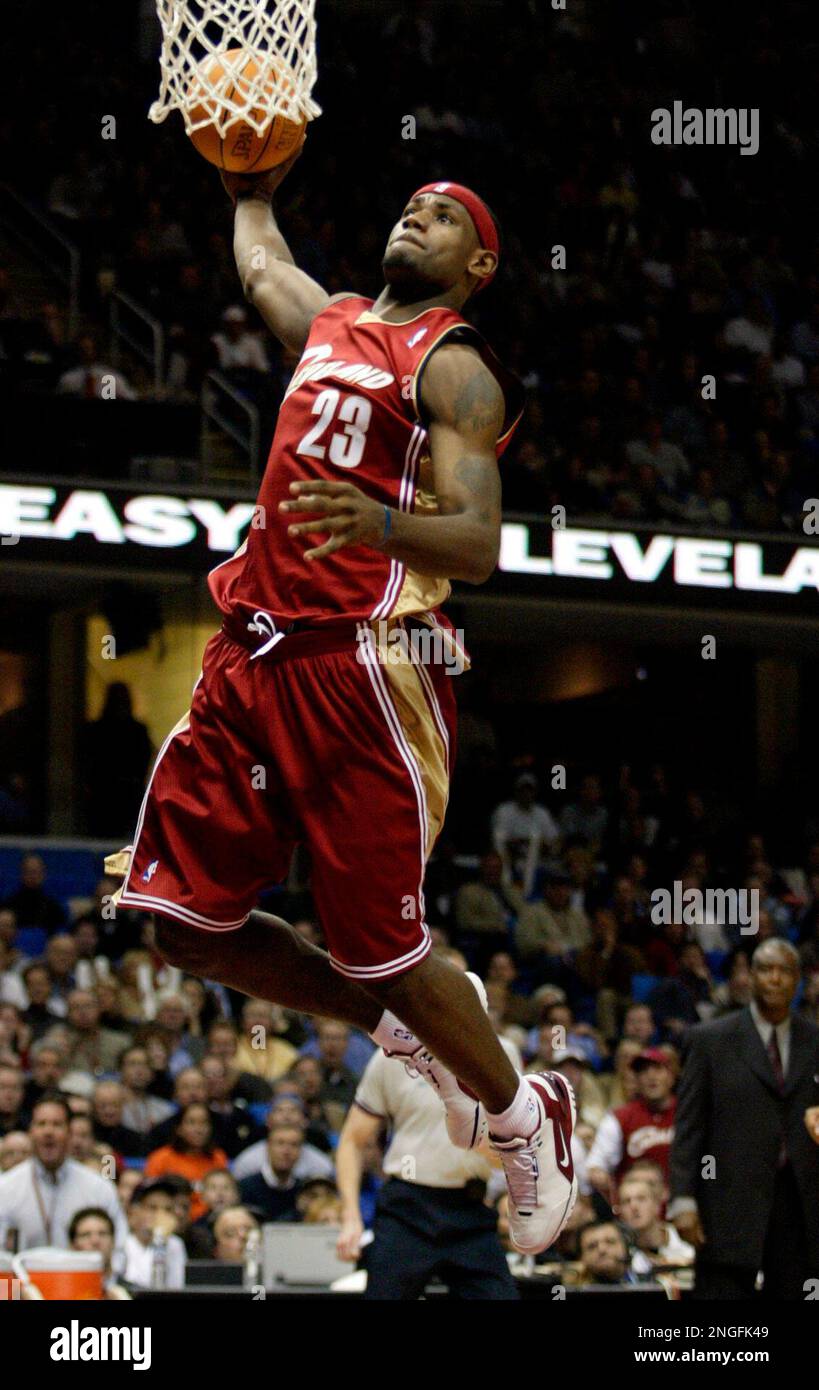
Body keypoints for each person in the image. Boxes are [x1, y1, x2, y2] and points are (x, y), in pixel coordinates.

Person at [110, 157, 577, 1256]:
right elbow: (262, 261)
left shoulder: (455, 368)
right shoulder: (332, 322)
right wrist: (247, 186)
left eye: (447, 214)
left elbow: (478, 542)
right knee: (179, 928)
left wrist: (376, 526)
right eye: (410, 201)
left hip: (359, 668)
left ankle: (524, 1116)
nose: (418, 213)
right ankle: (402, 1033)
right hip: (246, 657)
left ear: (480, 263)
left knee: (383, 946)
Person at [669, 939, 819, 1299]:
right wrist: (683, 1200)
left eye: (785, 971)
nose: (775, 979)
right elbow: (689, 1126)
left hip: (799, 1202)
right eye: (766, 969)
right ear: (750, 977)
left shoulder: (815, 1041)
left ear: (798, 981)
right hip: (727, 1197)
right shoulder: (710, 1040)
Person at [337, 1031, 520, 1300]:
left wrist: (484, 1144)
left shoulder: (501, 1052)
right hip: (407, 1211)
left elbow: (514, 1149)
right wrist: (350, 1216)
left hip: (471, 1209)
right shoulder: (391, 1055)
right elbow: (353, 1140)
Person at [0, 1094, 126, 1249]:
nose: (48, 1132)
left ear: (70, 1133)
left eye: (57, 1124)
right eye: (41, 1124)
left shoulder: (99, 1188)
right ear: (30, 1132)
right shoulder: (5, 1188)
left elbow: (119, 1247)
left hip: (83, 1272)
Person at [586, 1048, 677, 1202]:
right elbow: (595, 1168)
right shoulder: (619, 1118)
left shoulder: (688, 1114)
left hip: (681, 1207)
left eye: (657, 1069)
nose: (651, 1076)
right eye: (643, 1071)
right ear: (636, 1080)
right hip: (635, 1211)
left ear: (671, 1076)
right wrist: (615, 1192)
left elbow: (708, 1159)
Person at [144, 1103, 229, 1220]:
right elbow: (151, 1198)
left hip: (210, 1221)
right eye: (191, 1122)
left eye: (204, 1123)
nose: (199, 1129)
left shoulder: (218, 1157)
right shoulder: (160, 1158)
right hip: (170, 1220)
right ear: (179, 1128)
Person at [123, 1178, 187, 1289]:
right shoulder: (123, 1243)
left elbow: (175, 1287)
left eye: (168, 1209)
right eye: (153, 1208)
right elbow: (141, 1285)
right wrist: (159, 1238)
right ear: (134, 1211)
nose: (161, 1215)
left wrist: (160, 1238)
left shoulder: (175, 1244)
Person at [237, 1121, 307, 1222]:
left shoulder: (303, 1190)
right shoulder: (245, 1188)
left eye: (294, 1145)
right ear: (268, 1148)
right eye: (280, 1143)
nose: (286, 1151)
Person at [69, 1207, 131, 1299]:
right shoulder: (63, 1292)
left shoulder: (133, 1292)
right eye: (86, 1235)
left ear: (113, 1242)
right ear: (73, 1245)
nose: (95, 1241)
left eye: (102, 1233)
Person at [1, 853, 64, 933]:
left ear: (43, 874)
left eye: (36, 872)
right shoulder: (9, 904)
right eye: (29, 871)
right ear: (22, 874)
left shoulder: (53, 906)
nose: (33, 876)